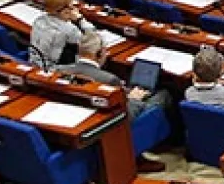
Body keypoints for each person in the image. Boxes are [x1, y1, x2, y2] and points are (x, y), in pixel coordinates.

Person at [62, 32, 170, 172]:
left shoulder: (61, 70)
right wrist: (134, 99)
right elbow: (124, 113)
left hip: (81, 120)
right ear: (99, 53)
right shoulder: (109, 79)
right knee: (163, 95)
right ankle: (148, 149)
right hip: (112, 126)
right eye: (105, 51)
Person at [30, 0, 94, 69]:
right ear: (65, 10)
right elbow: (92, 40)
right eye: (72, 6)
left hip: (34, 63)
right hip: (52, 69)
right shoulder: (69, 29)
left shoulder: (39, 20)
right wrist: (80, 19)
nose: (74, 9)